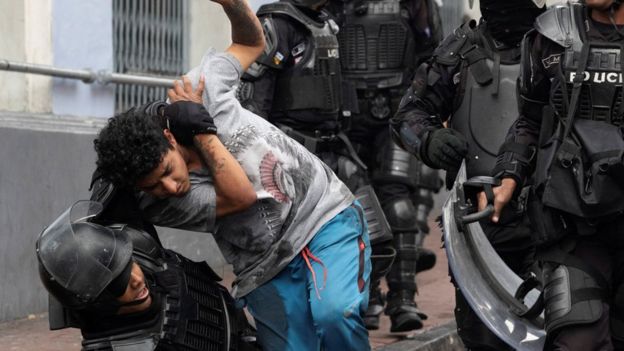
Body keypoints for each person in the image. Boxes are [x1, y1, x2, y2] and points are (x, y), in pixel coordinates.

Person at [93, 0, 372, 349]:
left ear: (168, 137)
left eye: (166, 171)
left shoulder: (199, 88)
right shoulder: (161, 203)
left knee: (335, 316)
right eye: (153, 186)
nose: (170, 186)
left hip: (323, 217)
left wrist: (233, 5)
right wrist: (202, 131)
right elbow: (239, 197)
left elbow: (250, 44)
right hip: (264, 266)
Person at [390, 0, 545, 349]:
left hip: (554, 218)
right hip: (481, 226)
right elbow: (407, 116)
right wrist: (430, 139)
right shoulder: (459, 50)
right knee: (483, 338)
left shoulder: (561, 45)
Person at [237, 0, 395, 329]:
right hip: (291, 156)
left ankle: (362, 301)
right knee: (292, 251)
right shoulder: (276, 23)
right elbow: (253, 104)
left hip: (334, 148)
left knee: (374, 234)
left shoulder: (326, 22)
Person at [478, 0, 624, 349]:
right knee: (577, 341)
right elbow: (529, 120)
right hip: (572, 227)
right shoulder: (552, 35)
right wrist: (507, 177)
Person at [323, 0, 443, 332]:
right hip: (345, 114)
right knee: (354, 205)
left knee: (398, 201)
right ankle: (368, 295)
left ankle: (403, 298)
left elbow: (434, 55)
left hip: (396, 110)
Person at [36, 200, 259, 351]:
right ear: (99, 304)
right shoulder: (126, 345)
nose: (137, 278)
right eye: (118, 282)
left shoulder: (140, 248)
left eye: (128, 263)